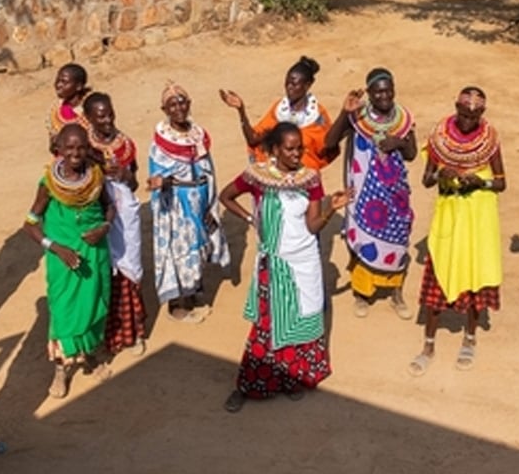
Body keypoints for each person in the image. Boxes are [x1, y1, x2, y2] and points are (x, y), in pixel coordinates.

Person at [218, 122, 347, 412]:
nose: (296, 154)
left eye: (299, 148)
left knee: (302, 321)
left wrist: (330, 209)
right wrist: (252, 220)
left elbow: (312, 225)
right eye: (289, 148)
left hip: (304, 263)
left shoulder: (311, 179)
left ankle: (293, 378)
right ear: (275, 149)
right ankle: (251, 384)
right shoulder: (258, 176)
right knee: (267, 325)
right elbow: (225, 196)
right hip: (273, 265)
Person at [409, 87, 506, 376]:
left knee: (475, 276)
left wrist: (480, 182)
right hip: (449, 218)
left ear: (482, 114)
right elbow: (427, 179)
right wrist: (442, 174)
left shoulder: (490, 139)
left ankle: (470, 338)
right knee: (438, 276)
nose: (466, 121)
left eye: (473, 116)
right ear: (455, 107)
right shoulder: (440, 136)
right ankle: (428, 345)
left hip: (478, 219)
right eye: (463, 114)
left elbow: (501, 182)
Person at [19, 123, 113, 398]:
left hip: (95, 253)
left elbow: (109, 207)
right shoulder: (49, 183)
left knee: (95, 303)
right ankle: (61, 368)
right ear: (58, 150)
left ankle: (88, 354)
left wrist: (105, 227)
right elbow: (30, 223)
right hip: (63, 259)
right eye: (69, 147)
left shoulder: (96, 176)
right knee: (63, 312)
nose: (76, 152)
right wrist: (56, 248)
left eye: (81, 147)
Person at [324, 67, 418, 319]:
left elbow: (411, 154)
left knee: (397, 241)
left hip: (396, 195)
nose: (383, 96)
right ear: (369, 93)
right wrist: (346, 111)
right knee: (364, 239)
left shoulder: (404, 119)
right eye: (377, 92)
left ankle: (396, 293)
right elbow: (329, 142)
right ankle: (362, 293)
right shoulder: (358, 119)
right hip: (364, 194)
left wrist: (398, 142)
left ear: (394, 90)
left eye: (388, 90)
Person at [148, 82, 229, 323]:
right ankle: (178, 307)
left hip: (201, 199)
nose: (178, 107)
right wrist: (160, 183)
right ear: (164, 109)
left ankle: (192, 294)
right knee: (179, 251)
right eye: (172, 104)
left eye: (182, 102)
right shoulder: (160, 143)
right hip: (177, 205)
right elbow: (156, 175)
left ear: (189, 104)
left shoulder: (198, 135)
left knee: (198, 248)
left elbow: (208, 169)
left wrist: (210, 203)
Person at [83, 92, 146, 356]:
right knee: (100, 271)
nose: (107, 120)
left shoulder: (126, 144)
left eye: (110, 113)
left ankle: (133, 332)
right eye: (101, 116)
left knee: (128, 269)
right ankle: (102, 336)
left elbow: (134, 183)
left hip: (124, 216)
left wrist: (125, 175)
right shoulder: (83, 147)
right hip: (96, 214)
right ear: (88, 118)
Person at [219, 55, 337, 171]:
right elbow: (254, 139)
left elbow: (326, 148)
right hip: (277, 179)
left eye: (294, 84)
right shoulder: (280, 110)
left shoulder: (317, 115)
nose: (289, 87)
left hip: (305, 180)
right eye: (287, 83)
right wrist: (241, 111)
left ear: (307, 85)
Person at [47, 64, 90, 150]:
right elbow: (53, 147)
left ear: (79, 86)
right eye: (57, 80)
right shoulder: (55, 111)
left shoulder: (91, 109)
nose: (58, 85)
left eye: (64, 82)